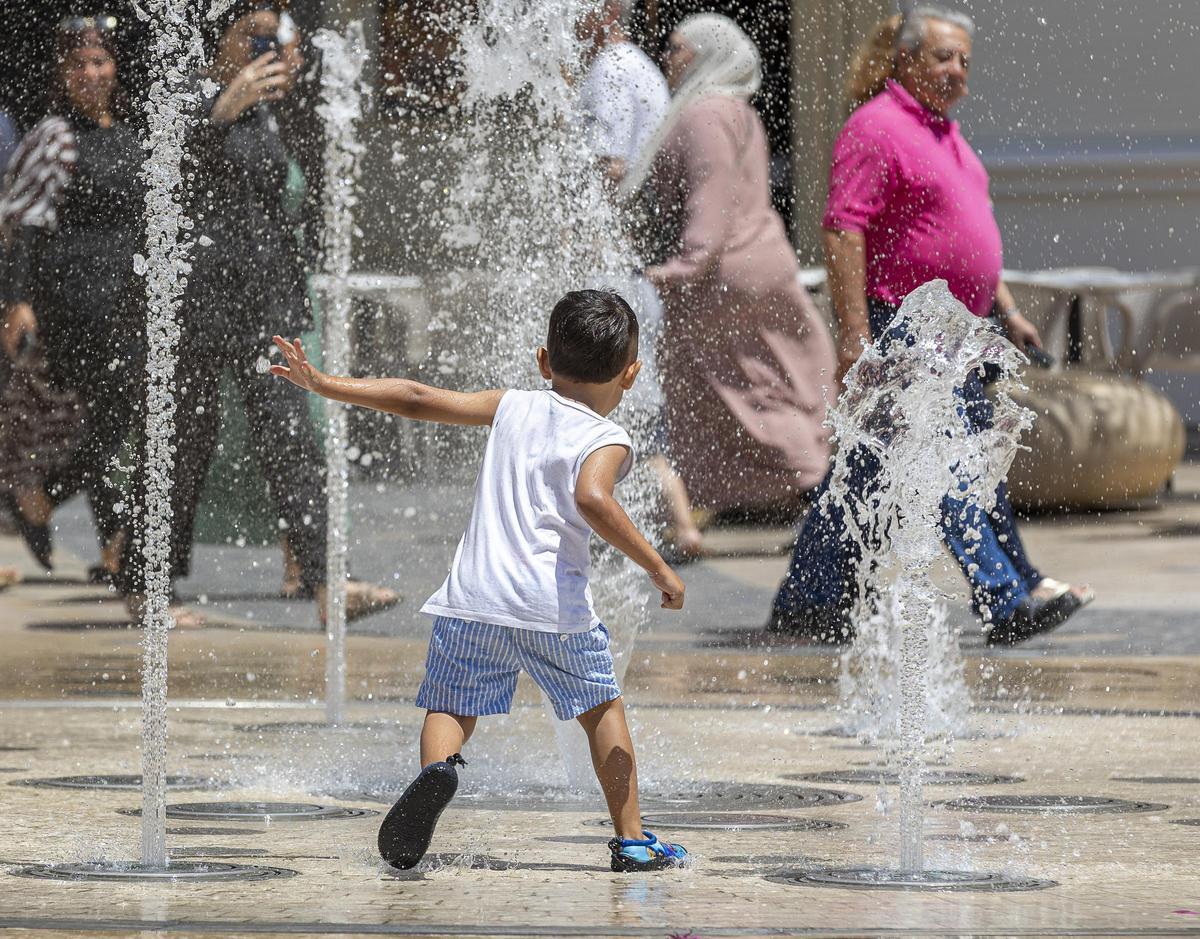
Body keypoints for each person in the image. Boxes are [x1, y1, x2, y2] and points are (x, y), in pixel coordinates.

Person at [270, 289, 690, 873]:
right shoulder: (607, 438)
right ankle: (634, 841)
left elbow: (415, 398)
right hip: (553, 609)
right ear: (632, 374)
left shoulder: (513, 404)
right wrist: (657, 565)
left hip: (473, 599)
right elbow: (592, 498)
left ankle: (437, 773)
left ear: (544, 361)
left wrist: (324, 383)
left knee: (450, 705)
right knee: (601, 709)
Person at [769, 6, 1091, 647]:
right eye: (944, 57)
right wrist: (855, 333)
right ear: (905, 59)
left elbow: (965, 231)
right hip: (904, 328)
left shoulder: (950, 137)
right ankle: (1005, 596)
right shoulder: (876, 127)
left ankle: (810, 600)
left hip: (957, 333)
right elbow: (842, 229)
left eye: (966, 62)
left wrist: (1006, 309)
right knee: (946, 465)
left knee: (879, 467)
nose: (957, 72)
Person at [116, 1, 398, 622]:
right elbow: (155, 178)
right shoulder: (184, 95)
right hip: (195, 304)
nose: (265, 47)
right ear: (221, 38)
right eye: (253, 35)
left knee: (290, 436)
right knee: (181, 443)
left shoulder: (271, 109)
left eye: (274, 35)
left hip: (262, 302)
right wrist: (219, 110)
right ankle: (146, 587)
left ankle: (328, 583)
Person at [620, 14, 836, 518]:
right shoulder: (735, 111)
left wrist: (684, 267)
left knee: (756, 393)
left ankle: (820, 492)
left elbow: (710, 198)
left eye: (677, 49)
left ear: (703, 55)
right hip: (753, 264)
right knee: (765, 385)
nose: (668, 58)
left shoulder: (705, 114)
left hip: (724, 277)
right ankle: (770, 496)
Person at [0, 14, 144, 582]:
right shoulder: (55, 136)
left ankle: (50, 500)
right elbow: (25, 224)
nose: (90, 73)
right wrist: (17, 302)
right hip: (71, 299)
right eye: (77, 64)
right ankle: (110, 545)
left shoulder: (128, 134)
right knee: (114, 419)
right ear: (61, 74)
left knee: (113, 423)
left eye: (99, 61)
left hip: (123, 299)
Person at [575, 0, 703, 557]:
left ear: (605, 11)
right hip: (637, 267)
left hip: (618, 267)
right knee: (635, 395)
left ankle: (640, 524)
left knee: (609, 398)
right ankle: (672, 521)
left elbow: (609, 168)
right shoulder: (640, 68)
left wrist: (580, 236)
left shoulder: (612, 69)